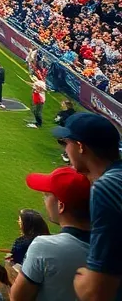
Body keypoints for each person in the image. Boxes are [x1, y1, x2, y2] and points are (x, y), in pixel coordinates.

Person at [55, 112, 122, 301]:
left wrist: (80, 277)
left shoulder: (107, 187)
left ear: (80, 147)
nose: (65, 150)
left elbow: (95, 293)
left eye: (65, 143)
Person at [8, 166, 91, 301]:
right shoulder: (109, 246)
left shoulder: (44, 246)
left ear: (61, 206)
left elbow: (17, 298)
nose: (44, 199)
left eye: (47, 195)